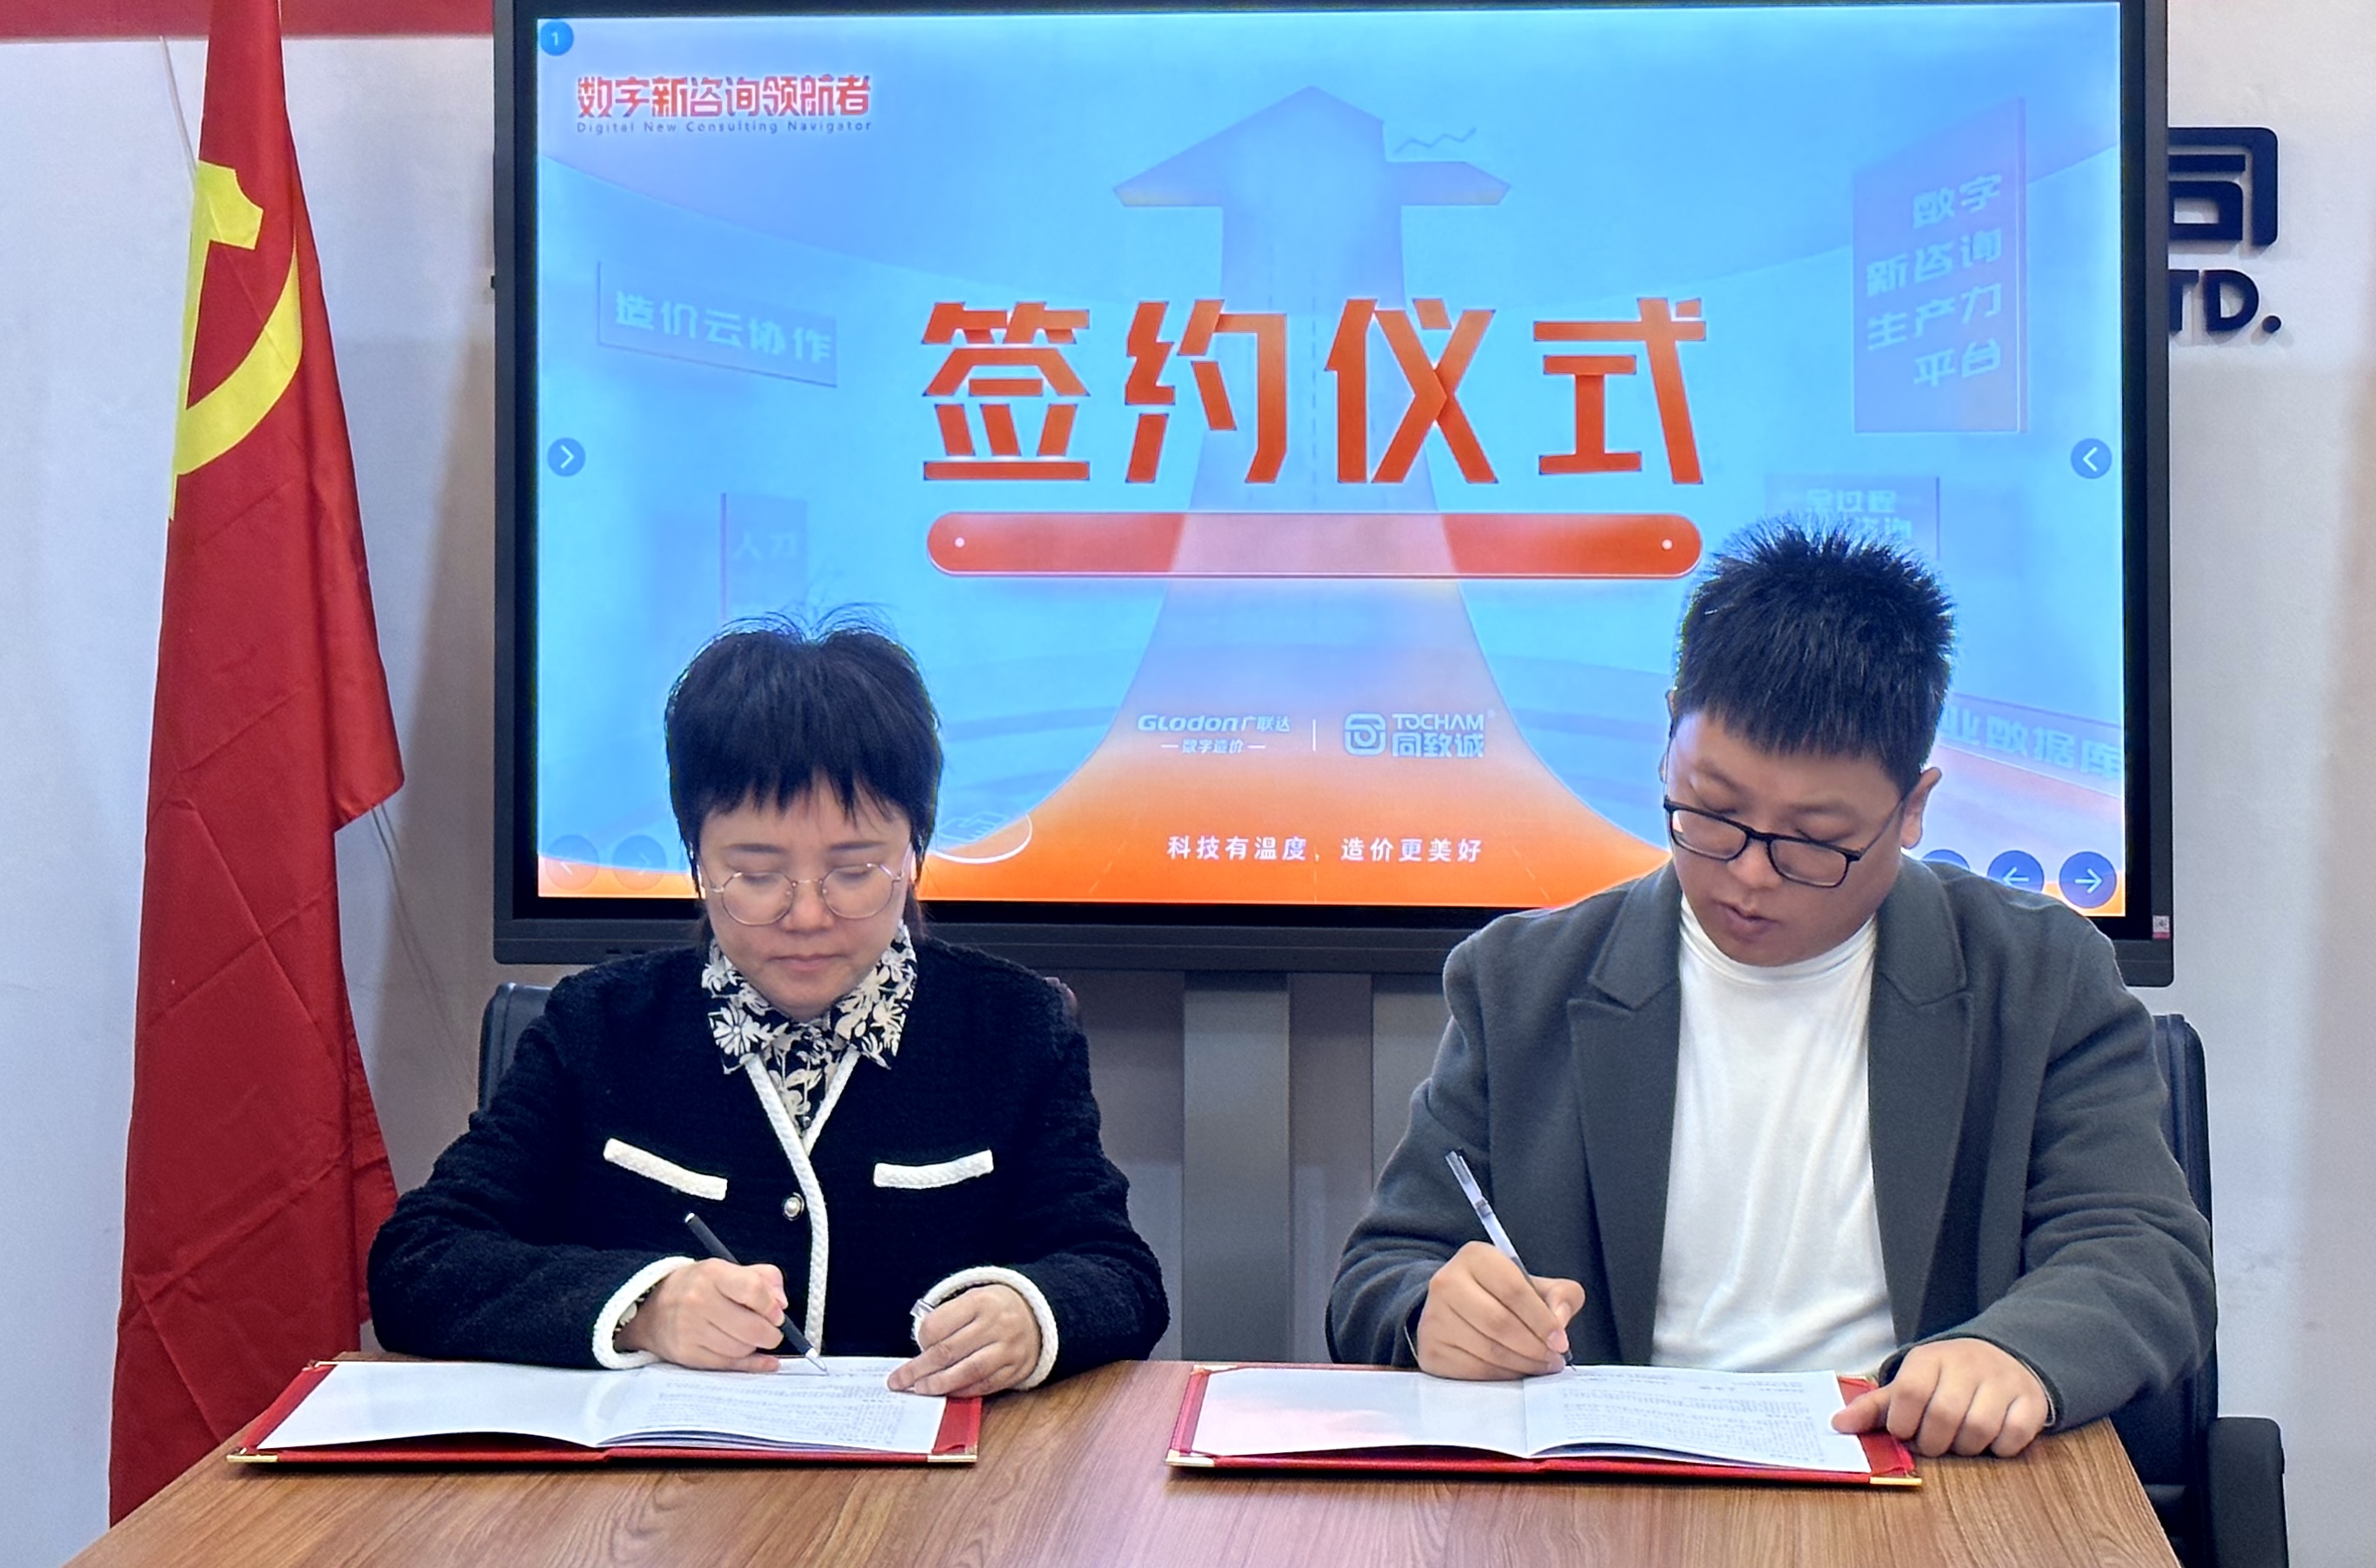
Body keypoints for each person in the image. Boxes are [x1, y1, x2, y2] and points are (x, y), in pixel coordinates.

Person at [1328, 521, 2211, 1458]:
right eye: (1712, 812)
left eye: (1813, 841)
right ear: (1669, 735)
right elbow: (1382, 1270)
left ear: (1912, 808)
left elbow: (2142, 1252)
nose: (1749, 876)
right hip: (1613, 1485)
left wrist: (2010, 1353)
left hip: (1912, 1475)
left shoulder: (2036, 975)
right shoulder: (1521, 983)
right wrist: (1431, 1313)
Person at [371, 615, 1168, 1391]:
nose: (807, 915)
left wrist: (1029, 1314)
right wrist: (646, 1308)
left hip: (930, 1474)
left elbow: (1117, 1272)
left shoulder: (1013, 1028)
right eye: (755, 874)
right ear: (695, 858)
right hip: (661, 1477)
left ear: (915, 853)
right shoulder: (599, 1026)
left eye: (854, 871)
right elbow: (420, 1260)